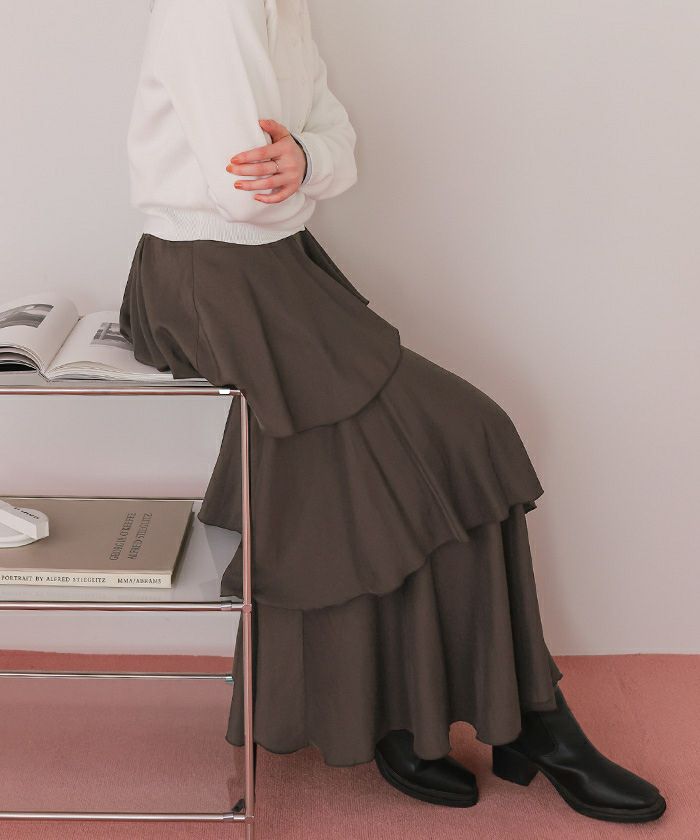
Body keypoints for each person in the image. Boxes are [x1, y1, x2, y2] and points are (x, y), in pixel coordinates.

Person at [119, 0, 665, 823]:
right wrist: (305, 167)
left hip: (274, 266)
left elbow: (337, 144)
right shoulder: (215, 7)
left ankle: (415, 714)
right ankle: (533, 724)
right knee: (464, 435)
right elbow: (245, 196)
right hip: (214, 277)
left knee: (395, 469)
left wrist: (306, 156)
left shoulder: (285, 7)